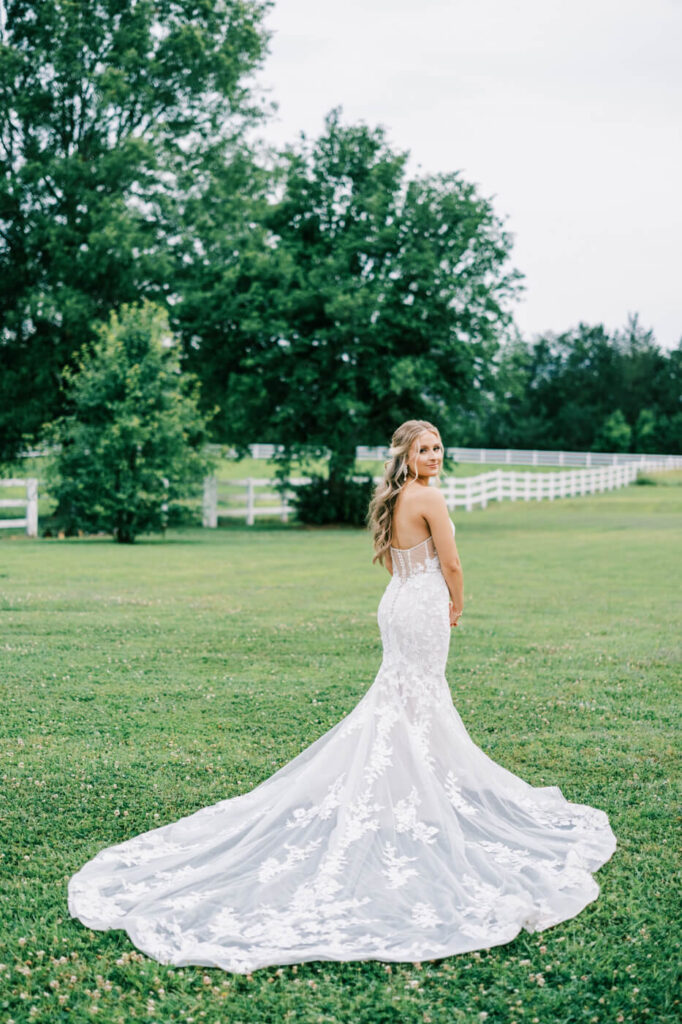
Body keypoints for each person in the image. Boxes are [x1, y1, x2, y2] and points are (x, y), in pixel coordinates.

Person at [68, 419, 617, 974]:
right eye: (425, 450)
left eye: (439, 449)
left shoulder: (395, 497)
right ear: (407, 455)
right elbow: (451, 562)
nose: (435, 457)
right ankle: (417, 793)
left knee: (405, 701)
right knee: (418, 700)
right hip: (422, 603)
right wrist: (457, 603)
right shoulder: (427, 496)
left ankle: (410, 789)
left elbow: (394, 557)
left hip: (397, 599)